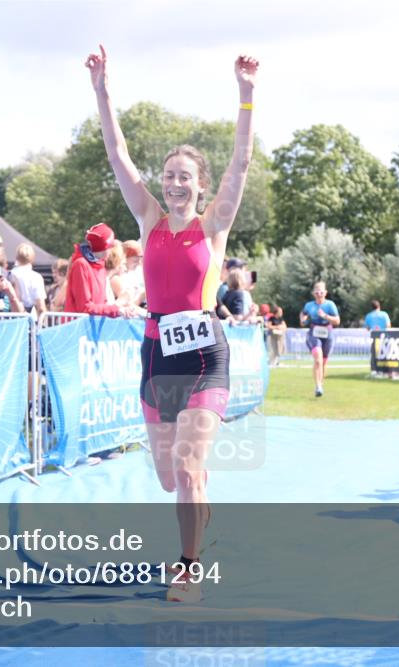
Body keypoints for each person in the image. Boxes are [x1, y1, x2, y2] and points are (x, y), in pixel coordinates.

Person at [88, 43, 258, 602]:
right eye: (169, 176)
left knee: (187, 467)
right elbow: (116, 153)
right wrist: (102, 90)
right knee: (170, 477)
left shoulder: (213, 228)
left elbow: (240, 164)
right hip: (157, 356)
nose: (175, 183)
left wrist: (246, 95)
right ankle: (198, 512)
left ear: (200, 185)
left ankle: (188, 568)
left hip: (206, 356)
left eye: (185, 176)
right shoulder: (149, 218)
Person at [64, 223, 139, 317]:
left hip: (93, 327)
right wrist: (117, 305)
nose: (113, 249)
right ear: (103, 247)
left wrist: (120, 310)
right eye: (110, 246)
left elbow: (103, 304)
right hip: (78, 328)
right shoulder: (81, 265)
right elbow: (84, 308)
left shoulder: (100, 265)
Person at [300, 282, 341, 397]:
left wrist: (326, 316)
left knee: (323, 362)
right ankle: (318, 386)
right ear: (314, 293)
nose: (319, 294)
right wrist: (303, 319)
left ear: (325, 293)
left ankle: (320, 385)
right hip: (314, 332)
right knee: (318, 359)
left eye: (321, 292)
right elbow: (303, 314)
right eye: (317, 292)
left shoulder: (330, 305)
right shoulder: (309, 305)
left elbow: (337, 321)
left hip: (327, 333)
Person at [9, 243, 48, 315]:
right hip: (30, 317)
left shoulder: (10, 274)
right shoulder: (36, 277)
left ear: (17, 257)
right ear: (32, 258)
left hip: (12, 315)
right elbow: (41, 307)